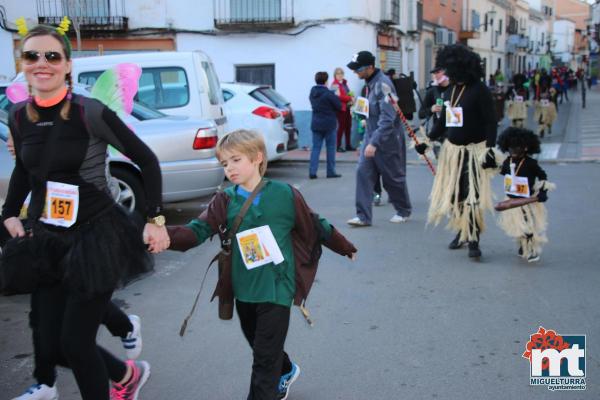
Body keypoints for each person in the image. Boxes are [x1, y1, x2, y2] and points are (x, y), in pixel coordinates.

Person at [2, 23, 169, 400]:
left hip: (97, 237)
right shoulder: (17, 116)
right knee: (52, 344)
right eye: (32, 56)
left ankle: (120, 380)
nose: (41, 63)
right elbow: (25, 170)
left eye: (51, 56)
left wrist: (154, 219)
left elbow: (145, 159)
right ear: (22, 62)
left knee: (75, 344)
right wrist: (10, 212)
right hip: (47, 237)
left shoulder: (89, 112)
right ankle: (126, 376)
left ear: (66, 64)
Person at [157, 129, 357, 400]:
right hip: (244, 288)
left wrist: (344, 246)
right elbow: (197, 231)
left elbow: (315, 224)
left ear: (257, 158)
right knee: (261, 346)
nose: (230, 168)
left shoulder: (285, 194)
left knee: (263, 361)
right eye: (225, 163)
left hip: (277, 287)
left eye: (236, 160)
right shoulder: (224, 200)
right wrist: (164, 235)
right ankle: (285, 369)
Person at [416, 44, 498, 259]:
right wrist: (428, 140)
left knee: (472, 196)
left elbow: (491, 122)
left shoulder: (480, 90)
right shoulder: (450, 91)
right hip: (452, 153)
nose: (447, 73)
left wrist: (490, 149)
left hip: (474, 152)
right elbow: (443, 121)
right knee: (455, 196)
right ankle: (461, 231)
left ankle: (474, 238)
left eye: (451, 69)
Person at [345, 50, 412, 226]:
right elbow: (371, 110)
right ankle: (363, 216)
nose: (355, 72)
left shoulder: (383, 85)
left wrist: (374, 142)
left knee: (393, 177)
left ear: (370, 67)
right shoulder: (368, 84)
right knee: (362, 173)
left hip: (387, 139)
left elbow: (388, 117)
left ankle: (403, 210)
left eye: (358, 69)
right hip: (371, 135)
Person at [496, 127, 554, 262]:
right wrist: (489, 165)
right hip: (511, 201)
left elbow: (543, 176)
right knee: (518, 226)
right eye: (510, 147)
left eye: (517, 147)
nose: (513, 151)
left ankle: (532, 250)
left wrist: (543, 191)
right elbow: (502, 171)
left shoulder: (531, 163)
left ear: (526, 148)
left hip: (526, 201)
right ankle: (523, 246)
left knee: (528, 227)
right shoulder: (507, 161)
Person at [308, 71, 342, 179]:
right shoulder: (329, 93)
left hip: (316, 123)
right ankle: (330, 172)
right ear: (326, 81)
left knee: (316, 148)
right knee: (331, 148)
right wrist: (335, 95)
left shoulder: (312, 92)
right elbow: (339, 106)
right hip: (329, 124)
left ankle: (312, 172)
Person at [419, 66, 450, 157]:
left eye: (438, 72)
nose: (435, 75)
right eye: (434, 73)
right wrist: (431, 109)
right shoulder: (432, 91)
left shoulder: (455, 88)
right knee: (442, 166)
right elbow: (421, 114)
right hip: (438, 135)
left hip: (455, 135)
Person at [330, 67, 355, 152]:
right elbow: (337, 96)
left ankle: (348, 145)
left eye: (341, 73)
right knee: (341, 127)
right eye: (338, 73)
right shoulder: (334, 85)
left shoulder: (345, 83)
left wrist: (352, 97)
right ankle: (338, 146)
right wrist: (349, 98)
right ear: (335, 75)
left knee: (348, 127)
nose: (340, 75)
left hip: (348, 108)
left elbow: (348, 93)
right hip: (340, 109)